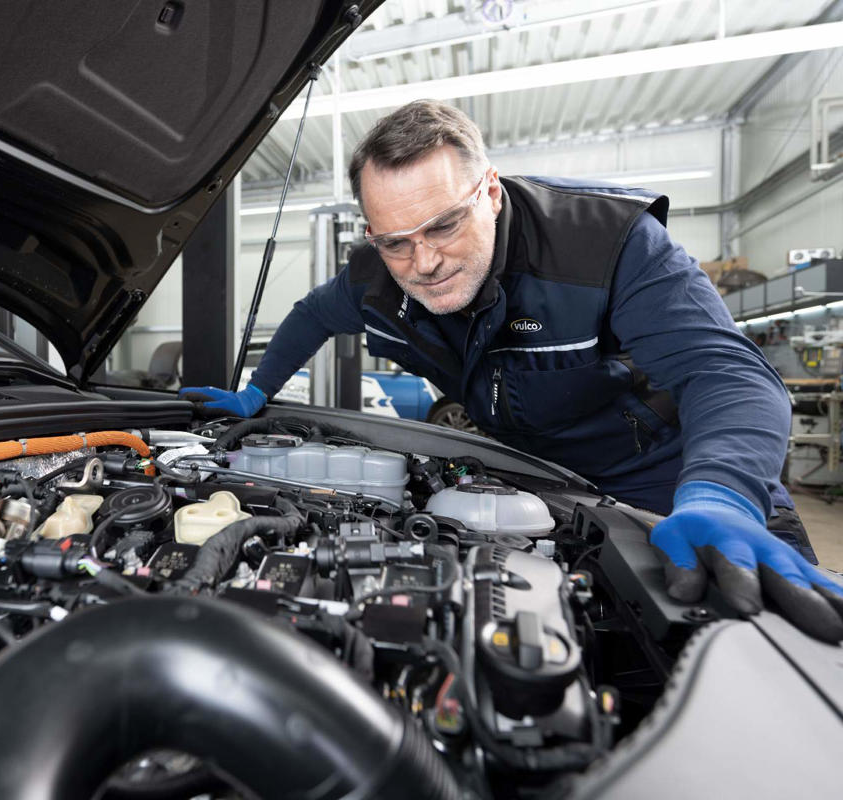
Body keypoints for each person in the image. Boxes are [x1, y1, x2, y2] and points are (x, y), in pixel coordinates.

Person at [180, 100, 843, 641]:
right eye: (396, 242)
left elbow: (726, 372)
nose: (423, 263)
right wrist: (256, 392)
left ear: (490, 192)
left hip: (674, 486)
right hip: (540, 486)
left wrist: (724, 494)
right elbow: (309, 315)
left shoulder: (604, 243)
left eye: (444, 226)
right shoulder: (374, 281)